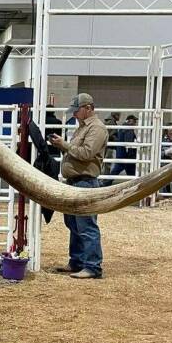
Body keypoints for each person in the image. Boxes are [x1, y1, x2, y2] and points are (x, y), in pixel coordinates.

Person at [47, 93, 108, 279]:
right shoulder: (83, 127)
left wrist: (64, 145)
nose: (74, 114)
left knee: (86, 226)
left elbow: (86, 153)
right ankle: (77, 261)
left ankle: (92, 267)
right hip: (75, 182)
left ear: (88, 108)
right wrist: (62, 146)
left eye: (76, 110)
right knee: (73, 223)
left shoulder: (97, 128)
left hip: (85, 182)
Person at [105, 113, 138, 181]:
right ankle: (105, 183)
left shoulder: (123, 127)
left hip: (122, 154)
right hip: (126, 155)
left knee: (128, 172)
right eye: (134, 121)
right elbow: (128, 142)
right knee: (129, 173)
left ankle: (105, 183)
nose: (135, 123)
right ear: (129, 120)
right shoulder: (128, 128)